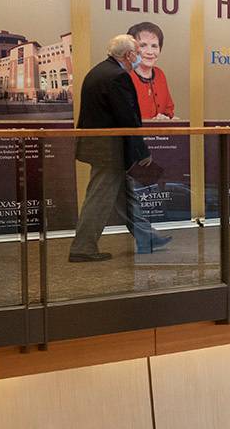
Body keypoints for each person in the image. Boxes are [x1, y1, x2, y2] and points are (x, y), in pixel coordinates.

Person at [70, 34, 165, 262]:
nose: (140, 57)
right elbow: (128, 119)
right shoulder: (118, 77)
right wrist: (142, 152)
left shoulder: (99, 71)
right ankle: (82, 248)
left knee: (125, 196)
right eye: (138, 53)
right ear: (129, 55)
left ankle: (147, 238)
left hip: (101, 146)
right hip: (108, 150)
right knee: (99, 197)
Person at [125, 22, 176, 120]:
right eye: (143, 45)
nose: (150, 52)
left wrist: (166, 118)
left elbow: (168, 109)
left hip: (159, 134)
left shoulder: (159, 74)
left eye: (154, 46)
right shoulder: (123, 77)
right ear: (131, 49)